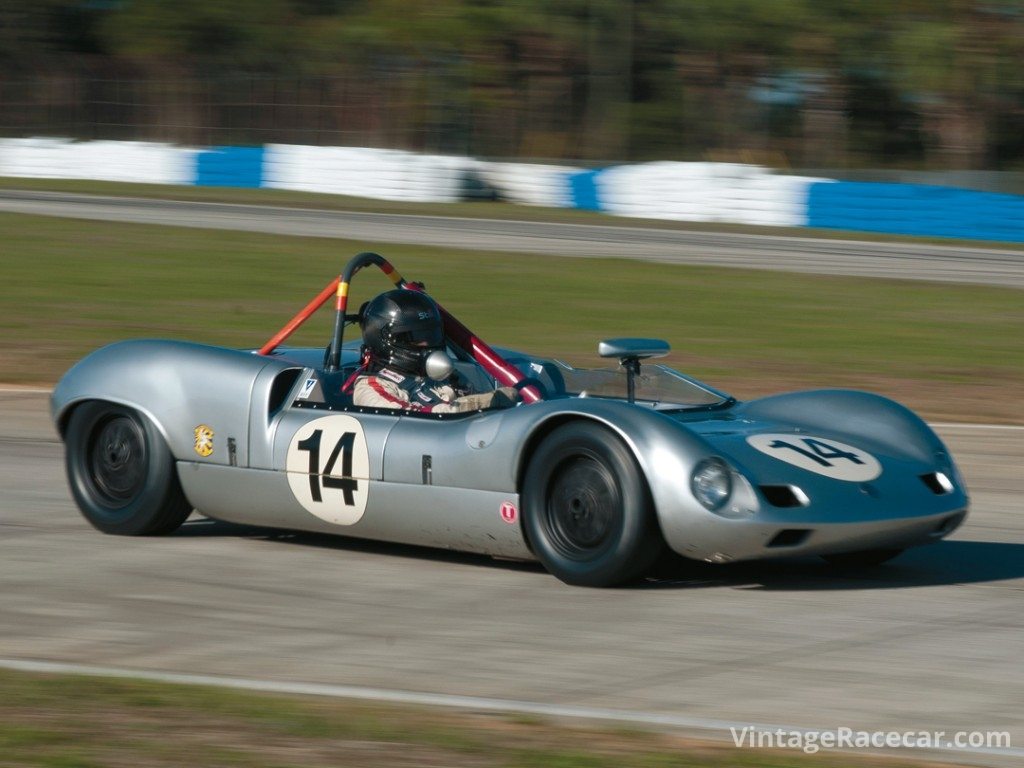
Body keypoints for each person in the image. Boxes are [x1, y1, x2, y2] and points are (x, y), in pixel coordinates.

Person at [351, 289, 518, 413]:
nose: (428, 343)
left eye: (432, 335)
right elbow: (414, 420)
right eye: (417, 337)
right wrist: (487, 402)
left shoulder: (443, 376)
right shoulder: (371, 388)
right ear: (390, 340)